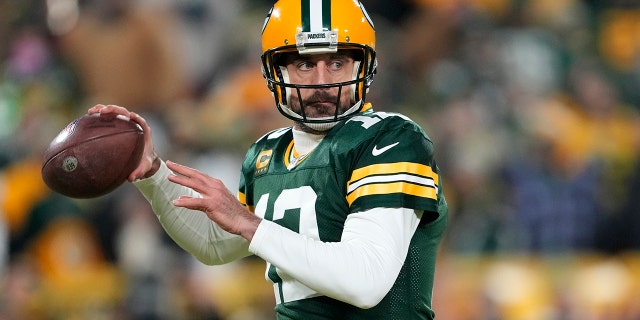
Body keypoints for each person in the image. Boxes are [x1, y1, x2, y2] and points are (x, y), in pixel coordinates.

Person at [88, 0, 447, 318]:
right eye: (305, 65)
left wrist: (250, 224)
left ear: (361, 67)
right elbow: (214, 245)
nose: (322, 81)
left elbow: (365, 282)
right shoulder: (267, 153)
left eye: (336, 62)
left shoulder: (390, 139)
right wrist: (152, 172)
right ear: (276, 72)